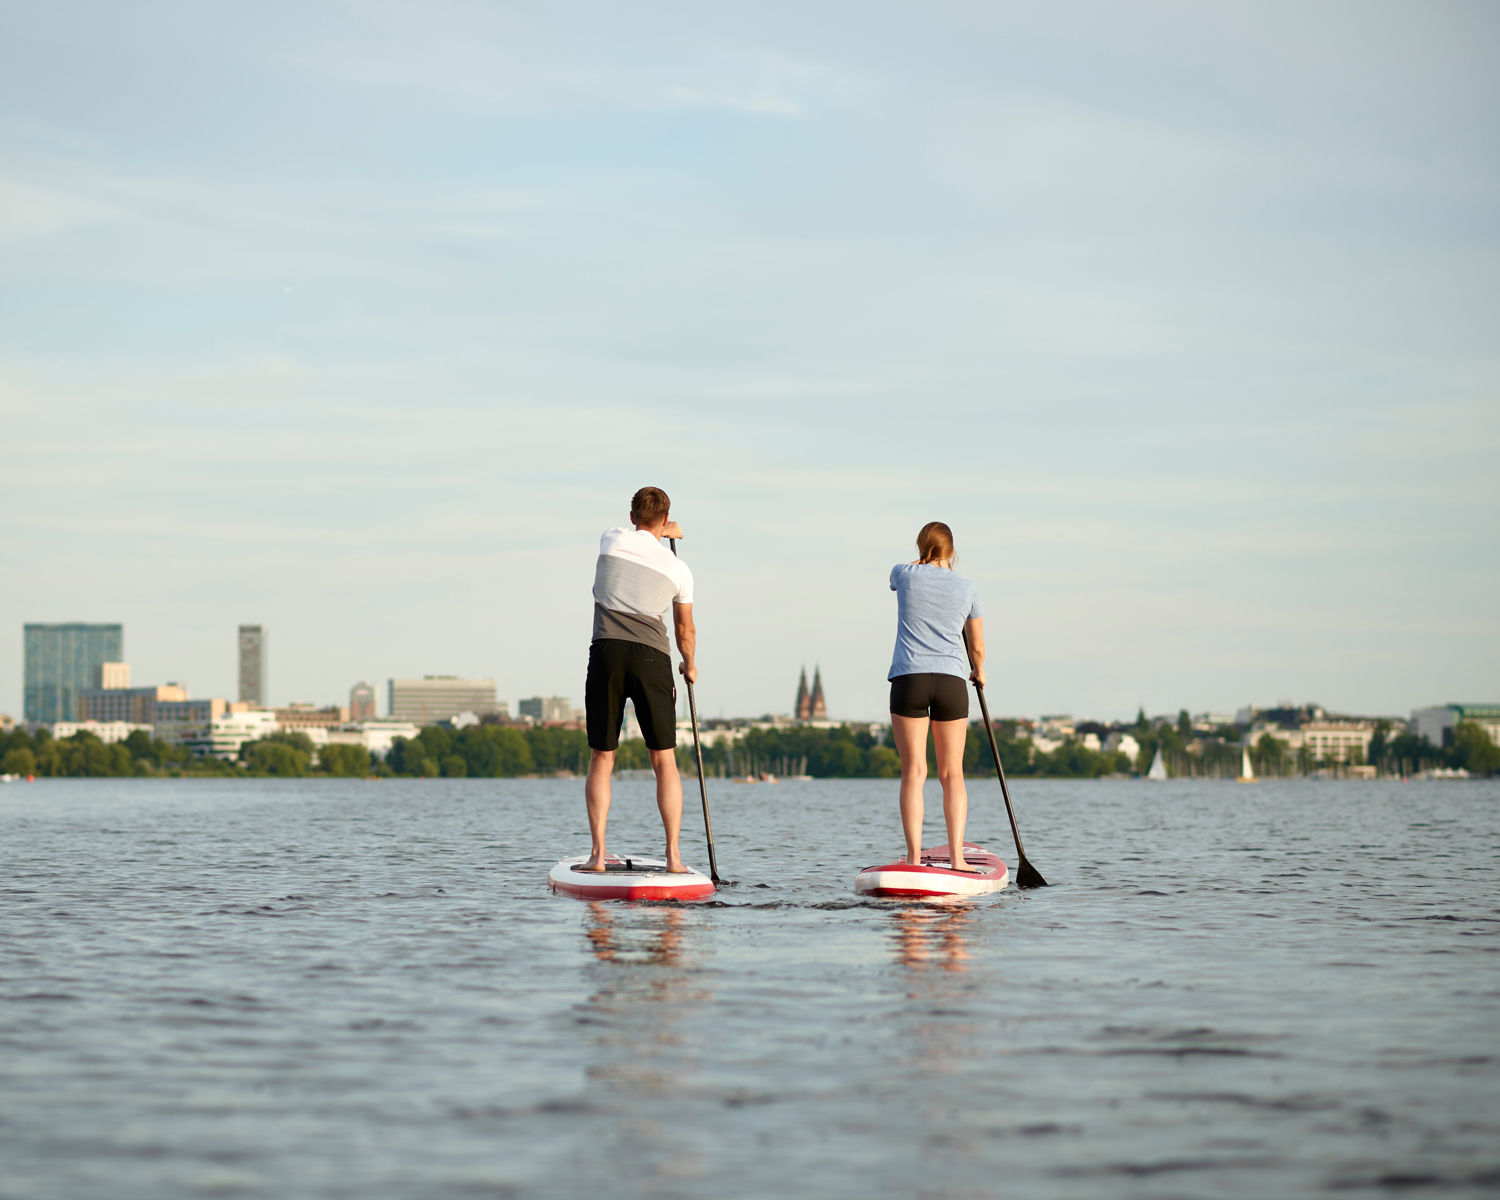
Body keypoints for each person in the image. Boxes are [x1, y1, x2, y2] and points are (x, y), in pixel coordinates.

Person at [582, 486, 697, 873]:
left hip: (608, 653)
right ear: (665, 520)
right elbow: (685, 631)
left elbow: (643, 530)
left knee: (602, 757)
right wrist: (689, 664)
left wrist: (662, 530)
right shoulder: (679, 570)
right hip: (652, 658)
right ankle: (674, 859)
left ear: (632, 517)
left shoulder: (610, 539)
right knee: (664, 761)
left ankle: (597, 857)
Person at [887, 521, 985, 870]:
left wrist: (918, 562)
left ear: (921, 547)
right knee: (952, 774)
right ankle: (957, 859)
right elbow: (977, 645)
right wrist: (979, 671)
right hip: (951, 682)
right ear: (952, 551)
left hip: (909, 679)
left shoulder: (905, 573)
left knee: (914, 771)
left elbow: (893, 580)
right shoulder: (968, 588)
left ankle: (914, 859)